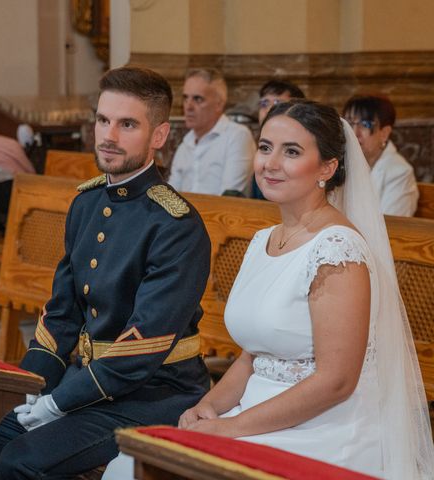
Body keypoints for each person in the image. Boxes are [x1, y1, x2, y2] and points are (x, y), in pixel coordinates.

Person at [106, 100, 434, 479]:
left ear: (327, 167)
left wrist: (230, 427)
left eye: (291, 151)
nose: (270, 163)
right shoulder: (264, 239)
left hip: (323, 428)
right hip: (256, 412)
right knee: (126, 465)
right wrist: (207, 407)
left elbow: (337, 382)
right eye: (265, 148)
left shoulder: (337, 251)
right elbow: (251, 357)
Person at [0, 66, 211, 479]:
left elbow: (140, 350)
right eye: (103, 120)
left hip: (156, 393)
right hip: (91, 383)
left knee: (22, 459)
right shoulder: (86, 204)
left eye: (127, 124)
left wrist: (56, 404)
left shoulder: (175, 224)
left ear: (159, 136)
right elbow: (61, 313)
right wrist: (30, 385)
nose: (109, 136)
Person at [168, 68, 255, 196]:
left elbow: (230, 197)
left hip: (221, 214)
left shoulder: (237, 136)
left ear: (219, 104)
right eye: (186, 98)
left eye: (197, 99)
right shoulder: (185, 144)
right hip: (182, 214)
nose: (188, 106)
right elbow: (170, 195)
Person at [343, 94, 418, 216]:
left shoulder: (400, 173)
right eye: (350, 123)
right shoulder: (340, 162)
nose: (354, 132)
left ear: (385, 133)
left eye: (365, 124)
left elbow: (392, 228)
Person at [252, 79, 305, 199]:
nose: (269, 109)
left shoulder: (304, 142)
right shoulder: (255, 139)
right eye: (264, 103)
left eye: (277, 104)